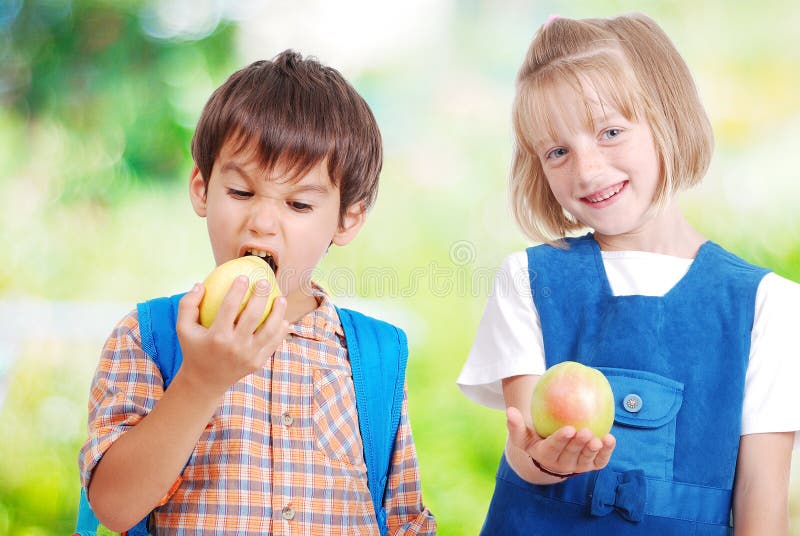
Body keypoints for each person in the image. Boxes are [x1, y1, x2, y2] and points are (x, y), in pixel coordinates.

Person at [457, 13, 799, 535]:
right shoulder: (529, 279)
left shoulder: (766, 306)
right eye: (557, 152)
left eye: (611, 132)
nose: (587, 169)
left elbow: (762, 503)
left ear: (669, 119)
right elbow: (525, 451)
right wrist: (548, 460)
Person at [78, 51, 436, 535]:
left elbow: (404, 520)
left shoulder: (375, 356)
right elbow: (112, 507)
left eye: (299, 203)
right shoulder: (148, 338)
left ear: (348, 218)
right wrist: (200, 383)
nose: (263, 222)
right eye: (242, 193)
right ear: (202, 189)